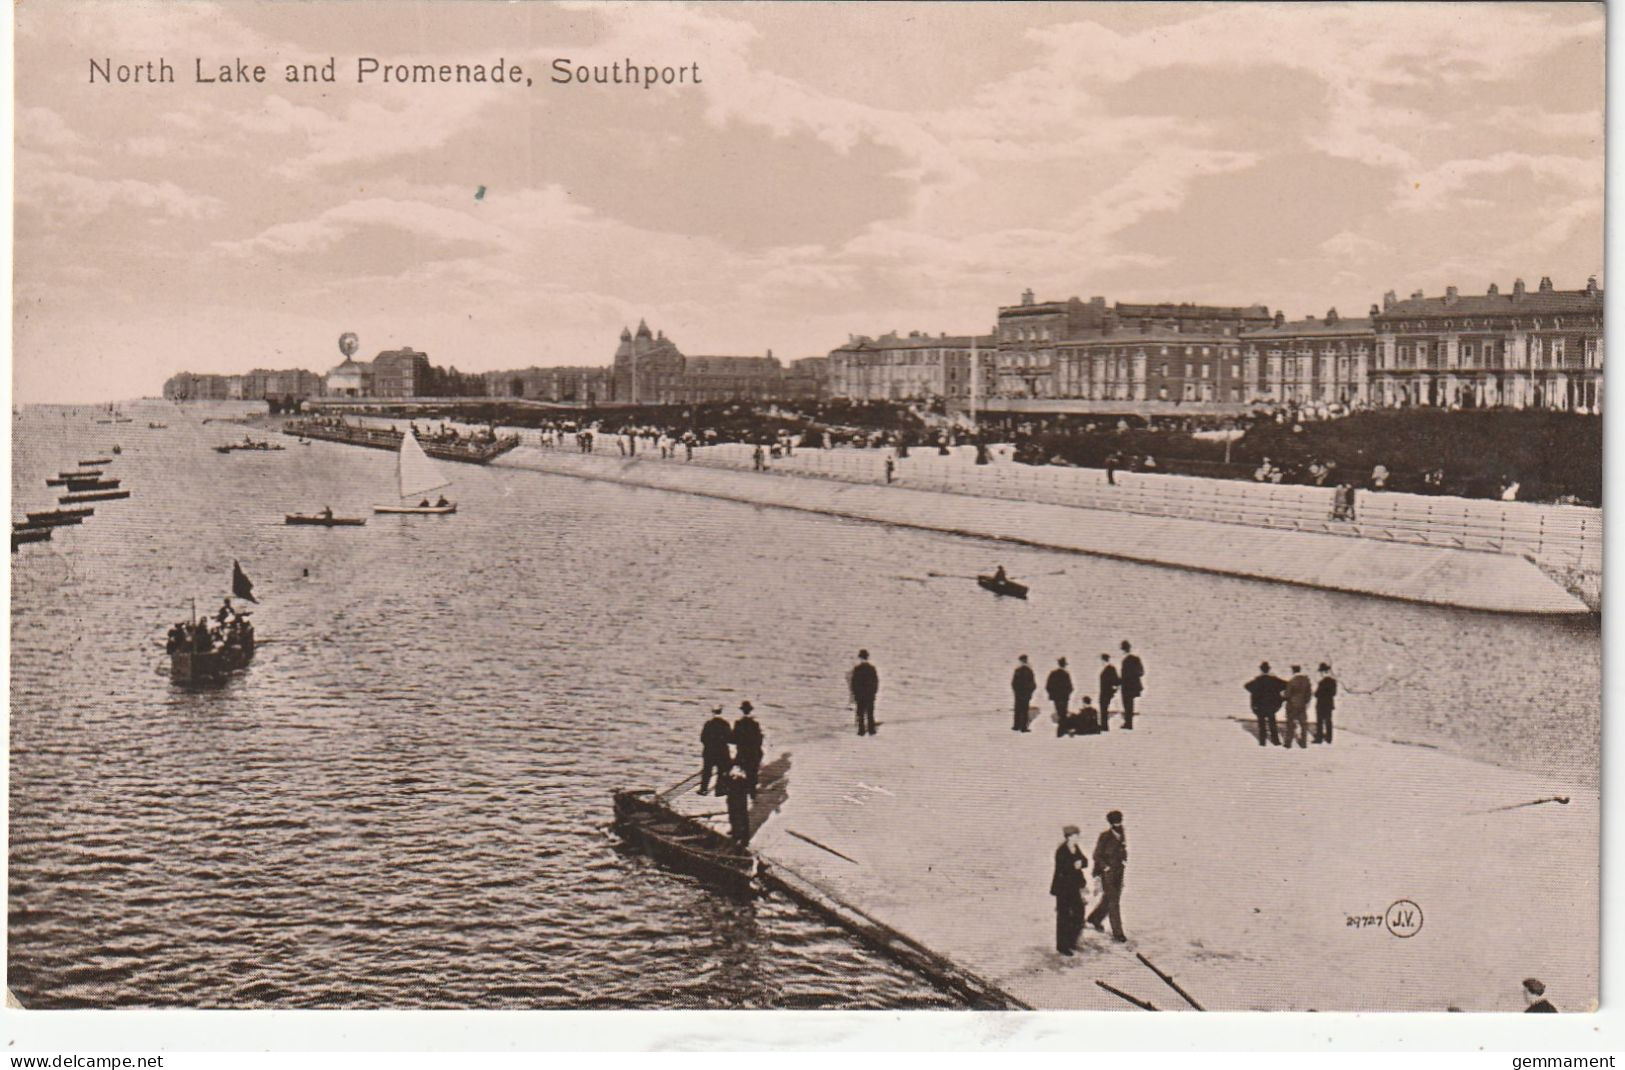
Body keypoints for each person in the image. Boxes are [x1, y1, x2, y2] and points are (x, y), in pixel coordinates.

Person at [1086, 810, 1128, 942]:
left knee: (1109, 899)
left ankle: (1094, 918)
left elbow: (1122, 849)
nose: (1118, 824)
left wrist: (1124, 859)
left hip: (1119, 871)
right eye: (1115, 822)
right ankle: (1118, 933)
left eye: (1119, 821)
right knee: (1113, 902)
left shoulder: (1122, 833)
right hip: (1107, 873)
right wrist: (1105, 867)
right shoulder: (1104, 836)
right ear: (1111, 823)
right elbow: (1096, 855)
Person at [1050, 825, 1089, 955]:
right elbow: (1063, 869)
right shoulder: (1061, 851)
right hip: (1063, 889)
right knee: (1064, 917)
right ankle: (1062, 946)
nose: (1078, 837)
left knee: (1079, 913)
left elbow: (1085, 861)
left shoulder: (1075, 848)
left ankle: (1072, 941)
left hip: (1074, 887)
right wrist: (1074, 865)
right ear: (1070, 837)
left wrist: (1080, 863)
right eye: (1076, 835)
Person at [1245, 662, 1287, 746]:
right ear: (1269, 669)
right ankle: (1275, 741)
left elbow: (1247, 686)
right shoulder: (1274, 680)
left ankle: (1262, 741)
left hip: (1260, 706)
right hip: (1271, 706)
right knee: (1272, 723)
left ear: (1261, 669)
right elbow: (1286, 685)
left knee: (1261, 724)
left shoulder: (1258, 680)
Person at [731, 702, 764, 798]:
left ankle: (743, 791)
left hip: (742, 752)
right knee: (752, 772)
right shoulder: (755, 724)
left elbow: (733, 739)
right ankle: (752, 792)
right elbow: (759, 740)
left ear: (742, 711)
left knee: (742, 771)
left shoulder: (738, 723)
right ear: (750, 711)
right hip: (753, 752)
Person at [699, 706, 733, 795]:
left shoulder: (708, 724)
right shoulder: (725, 724)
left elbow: (702, 738)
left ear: (713, 712)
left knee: (707, 771)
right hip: (722, 752)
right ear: (721, 712)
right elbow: (730, 739)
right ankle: (719, 790)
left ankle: (703, 789)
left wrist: (710, 744)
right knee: (721, 771)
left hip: (709, 751)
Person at [718, 761, 753, 846]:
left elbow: (748, 787)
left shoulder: (742, 779)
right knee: (733, 816)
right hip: (732, 799)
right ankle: (735, 833)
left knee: (741, 818)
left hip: (740, 801)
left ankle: (744, 839)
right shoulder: (730, 777)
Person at [849, 650, 879, 736]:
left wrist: (855, 694)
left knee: (860, 713)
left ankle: (861, 730)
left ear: (860, 658)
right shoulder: (872, 669)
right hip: (869, 695)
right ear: (868, 657)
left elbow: (854, 683)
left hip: (860, 695)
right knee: (870, 713)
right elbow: (875, 682)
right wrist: (874, 692)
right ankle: (871, 730)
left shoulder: (857, 669)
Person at [1283, 665, 1313, 748]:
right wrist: (1304, 702)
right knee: (1303, 724)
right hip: (1302, 705)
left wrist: (1283, 695)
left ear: (1293, 671)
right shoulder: (1306, 681)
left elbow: (1287, 695)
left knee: (1290, 724)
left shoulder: (1291, 681)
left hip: (1291, 705)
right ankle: (1303, 743)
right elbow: (1309, 694)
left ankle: (1288, 743)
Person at [1119, 641, 1145, 730]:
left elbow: (1125, 675)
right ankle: (1128, 723)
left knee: (1127, 704)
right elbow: (1141, 672)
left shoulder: (1126, 660)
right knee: (1129, 704)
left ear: (1123, 649)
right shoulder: (1136, 659)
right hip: (1133, 686)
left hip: (1126, 686)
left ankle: (1128, 724)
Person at [1045, 658, 1074, 729]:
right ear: (1064, 665)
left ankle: (1061, 728)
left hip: (1056, 698)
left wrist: (1052, 695)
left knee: (1059, 712)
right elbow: (1070, 687)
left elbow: (1048, 686)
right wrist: (1067, 694)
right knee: (1063, 712)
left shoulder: (1053, 673)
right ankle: (1063, 728)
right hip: (1064, 698)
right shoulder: (1066, 674)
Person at [1011, 654, 1036, 732]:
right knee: (1024, 710)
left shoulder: (1017, 671)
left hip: (1018, 694)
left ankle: (1016, 726)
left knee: (1017, 710)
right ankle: (1023, 727)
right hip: (1026, 694)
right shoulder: (1029, 671)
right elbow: (1033, 684)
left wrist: (1016, 693)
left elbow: (1013, 684)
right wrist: (1029, 693)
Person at [1314, 663, 1338, 744]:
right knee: (1328, 721)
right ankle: (1329, 738)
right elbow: (1334, 693)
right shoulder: (1333, 682)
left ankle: (1319, 738)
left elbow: (1316, 694)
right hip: (1329, 704)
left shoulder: (1321, 682)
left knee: (1320, 721)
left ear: (1323, 672)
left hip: (1321, 704)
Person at [1098, 654, 1120, 731]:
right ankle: (1104, 726)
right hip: (1104, 692)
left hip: (1106, 693)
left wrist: (1112, 692)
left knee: (1103, 708)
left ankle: (1104, 726)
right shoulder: (1108, 669)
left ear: (1104, 660)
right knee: (1103, 709)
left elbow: (1117, 682)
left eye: (1101, 660)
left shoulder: (1110, 669)